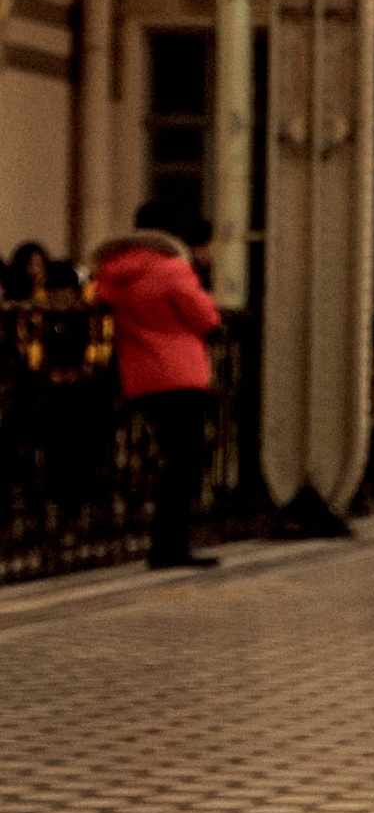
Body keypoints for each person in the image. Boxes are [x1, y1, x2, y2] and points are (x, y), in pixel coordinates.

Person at [91, 199, 223, 571]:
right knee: (186, 462)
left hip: (142, 378)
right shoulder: (172, 270)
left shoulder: (113, 274)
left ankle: (165, 544)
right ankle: (170, 546)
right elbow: (207, 318)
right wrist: (203, 278)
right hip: (181, 375)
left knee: (171, 460)